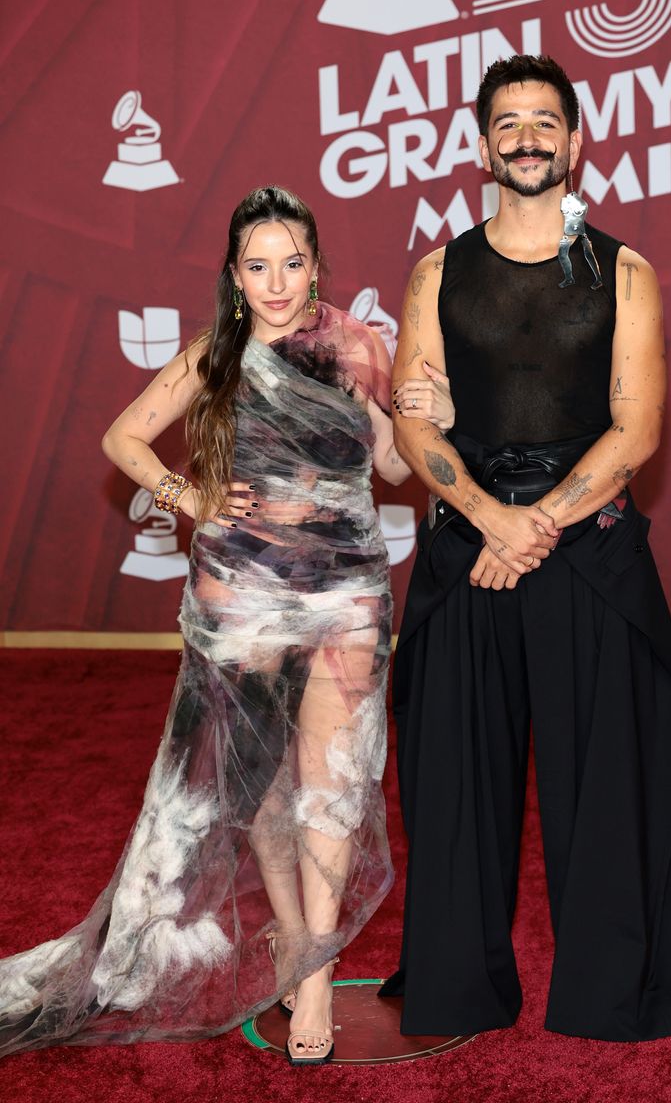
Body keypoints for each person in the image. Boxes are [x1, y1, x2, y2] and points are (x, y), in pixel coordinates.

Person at [0, 185, 454, 1065]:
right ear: (234, 274)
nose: (277, 282)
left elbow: (397, 469)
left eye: (293, 263)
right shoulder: (219, 352)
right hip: (239, 598)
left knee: (333, 780)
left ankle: (314, 975)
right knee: (266, 787)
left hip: (347, 593)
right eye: (258, 265)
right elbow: (124, 437)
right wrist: (189, 495)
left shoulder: (361, 346)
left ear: (318, 265)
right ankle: (294, 938)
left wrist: (425, 414)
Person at [380, 55, 671, 1042]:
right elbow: (412, 426)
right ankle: (458, 987)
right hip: (466, 556)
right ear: (482, 144)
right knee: (452, 786)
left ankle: (614, 996)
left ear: (573, 140)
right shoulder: (437, 272)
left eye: (543, 122)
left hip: (587, 562)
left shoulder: (624, 272)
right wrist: (489, 515)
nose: (525, 138)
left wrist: (534, 526)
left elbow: (633, 430)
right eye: (507, 122)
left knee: (607, 789)